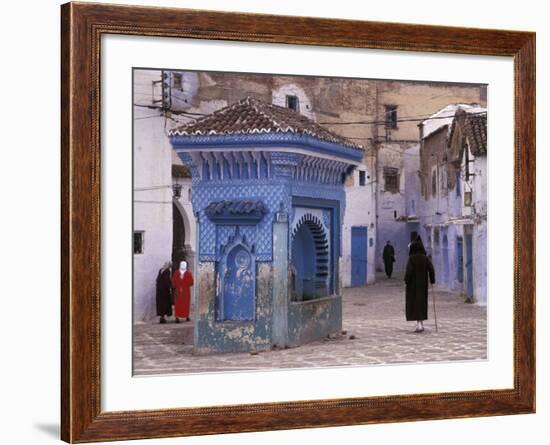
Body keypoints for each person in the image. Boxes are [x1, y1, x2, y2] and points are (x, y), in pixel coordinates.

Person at [404, 237, 435, 332]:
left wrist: (406, 280)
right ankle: (420, 323)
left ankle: (419, 325)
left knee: (414, 304)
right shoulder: (425, 258)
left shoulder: (411, 259)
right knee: (422, 303)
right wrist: (432, 280)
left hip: (413, 286)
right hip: (423, 285)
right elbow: (431, 269)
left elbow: (409, 271)